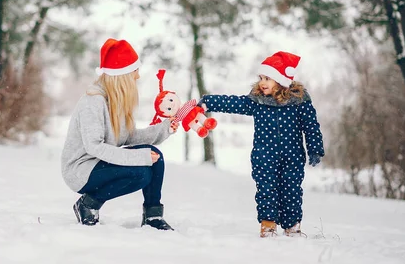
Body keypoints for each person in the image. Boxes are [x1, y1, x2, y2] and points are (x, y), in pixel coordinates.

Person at [198, 51, 324, 237]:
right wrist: (208, 102)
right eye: (261, 78)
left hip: (293, 156)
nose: (262, 82)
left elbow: (311, 126)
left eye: (268, 78)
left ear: (281, 80)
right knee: (266, 190)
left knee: (292, 191)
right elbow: (233, 103)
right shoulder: (257, 102)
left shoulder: (299, 102)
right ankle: (268, 225)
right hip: (264, 156)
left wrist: (315, 149)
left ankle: (292, 227)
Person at [61, 38, 178, 230]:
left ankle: (153, 216)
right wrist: (138, 157)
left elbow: (127, 137)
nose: (138, 76)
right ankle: (88, 204)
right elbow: (94, 146)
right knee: (141, 172)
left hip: (98, 163)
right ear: (122, 75)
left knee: (156, 157)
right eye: (135, 71)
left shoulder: (114, 100)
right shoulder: (93, 102)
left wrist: (164, 129)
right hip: (80, 170)